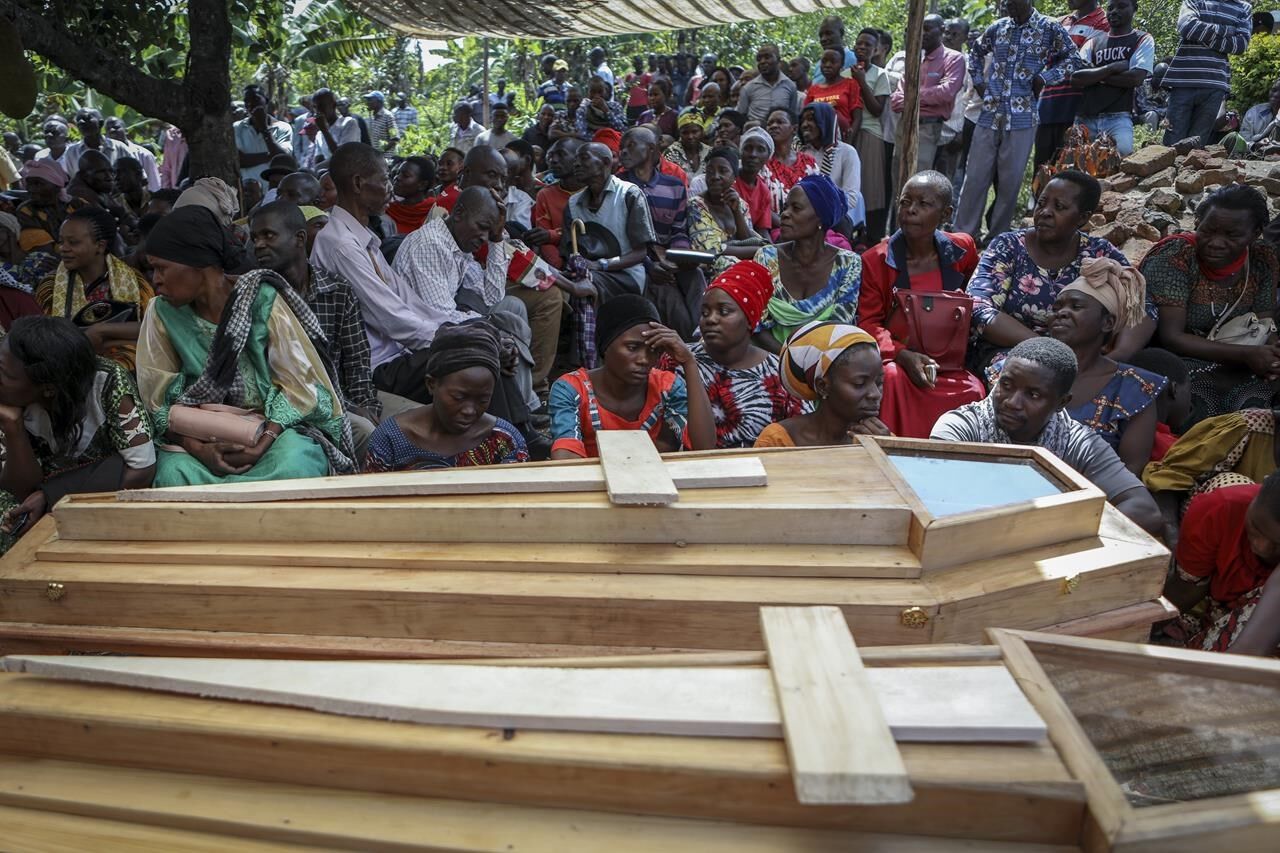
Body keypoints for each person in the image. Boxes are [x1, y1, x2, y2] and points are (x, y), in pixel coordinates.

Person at [138, 205, 355, 486]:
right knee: (173, 475)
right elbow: (156, 399)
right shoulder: (161, 312)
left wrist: (263, 443)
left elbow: (300, 385)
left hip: (270, 428)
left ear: (197, 262)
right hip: (197, 434)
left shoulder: (261, 300)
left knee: (295, 466)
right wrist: (198, 449)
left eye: (161, 268)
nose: (155, 280)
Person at [931, 336, 1164, 534]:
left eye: (1033, 395)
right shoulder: (960, 427)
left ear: (1061, 403)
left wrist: (1050, 534)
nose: (1012, 402)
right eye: (1007, 385)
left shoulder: (1077, 442)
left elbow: (1145, 511)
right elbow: (935, 496)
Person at [967, 171, 1151, 376]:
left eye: (1059, 207)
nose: (1045, 212)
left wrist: (1118, 356)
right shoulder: (1008, 247)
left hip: (1084, 359)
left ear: (1083, 218)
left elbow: (1144, 306)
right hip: (1010, 353)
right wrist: (1052, 352)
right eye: (1041, 203)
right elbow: (978, 308)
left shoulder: (1098, 253)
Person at [0, 316, 155, 554]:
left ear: (48, 388)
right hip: (56, 496)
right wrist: (14, 429)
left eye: (6, 376)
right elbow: (21, 492)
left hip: (102, 498)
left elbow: (141, 471)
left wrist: (52, 496)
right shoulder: (9, 403)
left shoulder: (107, 382)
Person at [250, 201, 382, 459]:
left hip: (339, 396)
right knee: (366, 432)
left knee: (406, 424)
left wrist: (366, 404)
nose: (258, 245)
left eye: (268, 235)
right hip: (284, 408)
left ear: (299, 238)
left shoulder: (336, 291)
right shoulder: (253, 295)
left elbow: (357, 361)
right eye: (254, 238)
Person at [859, 171, 985, 438]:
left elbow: (975, 299)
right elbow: (868, 323)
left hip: (949, 363)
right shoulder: (876, 260)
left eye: (923, 204)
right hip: (902, 361)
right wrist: (903, 354)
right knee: (891, 378)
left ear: (946, 214)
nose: (910, 210)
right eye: (905, 202)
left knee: (974, 389)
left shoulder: (962, 250)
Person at [1142, 184, 1279, 427]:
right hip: (1181, 359)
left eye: (1232, 235)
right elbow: (1172, 337)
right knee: (1202, 404)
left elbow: (1263, 324)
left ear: (1256, 233)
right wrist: (1248, 356)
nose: (1215, 242)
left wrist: (1270, 356)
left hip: (1241, 355)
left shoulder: (1262, 258)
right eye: (1208, 231)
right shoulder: (1176, 256)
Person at [954, 0, 1076, 243]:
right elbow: (975, 52)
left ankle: (996, 239)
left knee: (1010, 183)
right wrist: (978, 81)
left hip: (1023, 117)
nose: (1009, 4)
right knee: (975, 178)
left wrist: (1045, 77)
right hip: (989, 113)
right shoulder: (998, 27)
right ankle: (962, 237)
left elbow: (1073, 57)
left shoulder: (1048, 27)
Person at [656, 261, 807, 448]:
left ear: (750, 320)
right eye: (705, 312)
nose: (711, 319)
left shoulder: (779, 374)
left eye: (724, 311)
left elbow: (803, 437)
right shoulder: (676, 360)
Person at [549, 293, 714, 459]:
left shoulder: (667, 388)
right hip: (591, 483)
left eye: (653, 350)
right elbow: (566, 459)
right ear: (605, 345)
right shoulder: (572, 389)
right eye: (632, 347)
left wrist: (689, 363)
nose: (644, 360)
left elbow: (705, 448)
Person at [1048, 256, 1166, 473]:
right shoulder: (1024, 369)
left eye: (1076, 306)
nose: (1061, 313)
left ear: (1107, 323)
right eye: (1057, 307)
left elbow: (1131, 469)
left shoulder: (1134, 388)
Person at [364, 322, 528, 471]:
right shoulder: (391, 439)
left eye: (483, 400)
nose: (470, 410)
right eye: (458, 397)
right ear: (431, 384)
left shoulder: (504, 440)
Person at [1162, 471, 1280, 653]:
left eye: (1278, 545)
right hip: (1213, 616)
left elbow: (1251, 650)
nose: (1261, 546)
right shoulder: (1221, 508)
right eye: (1256, 527)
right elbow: (1187, 587)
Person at [37, 206, 153, 372]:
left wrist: (100, 332)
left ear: (100, 245)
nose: (63, 248)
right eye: (61, 241)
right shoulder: (50, 287)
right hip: (65, 366)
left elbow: (151, 329)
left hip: (127, 368)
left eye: (73, 242)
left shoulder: (134, 282)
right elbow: (44, 339)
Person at [754, 175, 860, 353]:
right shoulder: (767, 257)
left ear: (820, 218)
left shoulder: (848, 264)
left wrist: (808, 367)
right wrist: (790, 363)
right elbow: (757, 326)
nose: (785, 214)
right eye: (785, 207)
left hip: (822, 361)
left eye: (796, 208)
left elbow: (840, 327)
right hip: (768, 357)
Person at [617, 127, 703, 339]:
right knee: (669, 297)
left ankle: (703, 330)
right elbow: (620, 237)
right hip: (640, 262)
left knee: (695, 275)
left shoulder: (673, 186)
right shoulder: (618, 187)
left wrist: (681, 257)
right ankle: (690, 343)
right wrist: (650, 264)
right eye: (621, 148)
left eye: (630, 146)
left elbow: (679, 230)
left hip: (668, 258)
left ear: (651, 149)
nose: (623, 153)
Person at [754, 320, 887, 447]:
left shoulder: (881, 440)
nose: (875, 394)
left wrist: (888, 451)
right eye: (859, 383)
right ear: (823, 387)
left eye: (879, 382)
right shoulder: (778, 440)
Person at [566, 142, 657, 302]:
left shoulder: (629, 194)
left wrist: (601, 265)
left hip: (627, 275)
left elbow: (640, 252)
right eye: (575, 160)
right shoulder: (573, 204)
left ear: (606, 162)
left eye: (584, 158)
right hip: (590, 272)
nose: (577, 164)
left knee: (585, 284)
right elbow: (568, 251)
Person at [1162, 0, 1252, 147]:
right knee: (1172, 141)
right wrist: (1225, 30)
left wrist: (1202, 34)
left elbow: (1240, 45)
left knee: (1197, 142)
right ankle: (1168, 170)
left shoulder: (1244, 7)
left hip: (1215, 84)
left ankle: (1188, 171)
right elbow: (1187, 28)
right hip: (1183, 81)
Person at [1070, 0, 1153, 158]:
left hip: (1118, 118)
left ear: (1134, 9)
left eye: (1121, 6)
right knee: (1079, 167)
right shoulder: (1093, 41)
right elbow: (1076, 78)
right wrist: (1112, 68)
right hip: (1085, 117)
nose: (1114, 11)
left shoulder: (1142, 39)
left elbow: (1135, 78)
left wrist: (1095, 74)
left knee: (1122, 159)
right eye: (1110, 8)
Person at [1034, 0, 1111, 171]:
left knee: (1069, 171)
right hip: (1047, 106)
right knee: (1041, 170)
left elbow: (1085, 65)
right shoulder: (1060, 22)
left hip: (1077, 109)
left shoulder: (1104, 23)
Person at [888, 14, 966, 175]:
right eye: (920, 29)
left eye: (928, 29)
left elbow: (946, 93)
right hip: (904, 125)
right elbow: (895, 101)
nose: (922, 33)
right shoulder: (914, 58)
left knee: (917, 178)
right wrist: (927, 99)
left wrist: (911, 97)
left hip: (928, 129)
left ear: (942, 30)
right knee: (897, 177)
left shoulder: (954, 59)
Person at [688, 147, 762, 278]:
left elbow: (747, 240)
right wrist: (760, 251)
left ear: (734, 176)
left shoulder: (741, 204)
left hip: (742, 266)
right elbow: (709, 250)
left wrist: (736, 211)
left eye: (723, 171)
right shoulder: (696, 205)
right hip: (713, 271)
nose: (715, 177)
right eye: (710, 172)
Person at [852, 29, 893, 243]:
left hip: (870, 133)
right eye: (859, 43)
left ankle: (868, 238)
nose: (862, 48)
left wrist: (861, 81)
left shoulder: (879, 74)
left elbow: (877, 109)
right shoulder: (844, 72)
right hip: (848, 133)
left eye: (868, 45)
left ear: (875, 49)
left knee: (869, 188)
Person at [798, 102, 864, 230]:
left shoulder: (847, 152)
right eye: (803, 121)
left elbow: (851, 197)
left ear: (825, 121)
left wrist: (822, 207)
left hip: (837, 216)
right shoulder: (800, 153)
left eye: (811, 119)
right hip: (804, 214)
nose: (805, 124)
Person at [1127, 346, 1193, 461]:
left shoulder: (1120, 428)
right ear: (1174, 389)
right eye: (1189, 391)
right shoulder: (1173, 450)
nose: (1190, 404)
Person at [16, 159, 87, 249]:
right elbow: (45, 249)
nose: (31, 189)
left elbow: (100, 230)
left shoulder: (78, 204)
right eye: (28, 184)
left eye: (38, 184)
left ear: (57, 186)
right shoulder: (27, 211)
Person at [234, 84, 294, 188]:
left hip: (273, 190)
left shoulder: (283, 128)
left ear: (266, 100)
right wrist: (271, 155)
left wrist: (264, 129)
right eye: (246, 101)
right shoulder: (237, 127)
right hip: (246, 190)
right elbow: (239, 160)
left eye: (255, 99)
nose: (250, 104)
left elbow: (282, 160)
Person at [805, 49, 864, 138]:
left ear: (841, 64)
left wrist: (850, 139)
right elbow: (805, 115)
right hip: (817, 138)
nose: (828, 65)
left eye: (833, 62)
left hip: (841, 137)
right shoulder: (813, 89)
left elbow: (857, 117)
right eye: (824, 61)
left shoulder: (850, 84)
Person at [763, 108, 816, 205]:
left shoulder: (808, 162)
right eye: (769, 123)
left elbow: (817, 197)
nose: (773, 126)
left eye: (780, 122)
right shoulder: (762, 164)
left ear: (794, 129)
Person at [737, 44, 798, 124]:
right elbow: (741, 117)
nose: (762, 61)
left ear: (778, 60)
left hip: (781, 133)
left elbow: (792, 116)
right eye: (759, 59)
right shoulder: (748, 88)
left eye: (767, 57)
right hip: (755, 133)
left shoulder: (790, 86)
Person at [63, 109, 126, 182]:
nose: (81, 122)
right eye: (78, 120)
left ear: (101, 123)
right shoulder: (71, 152)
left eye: (86, 118)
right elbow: (73, 180)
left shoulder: (119, 147)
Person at [305, 89, 361, 168]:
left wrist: (325, 131)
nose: (318, 111)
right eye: (315, 107)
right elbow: (319, 160)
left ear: (333, 105)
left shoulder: (349, 123)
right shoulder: (320, 134)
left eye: (322, 106)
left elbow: (341, 158)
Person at [736, 128, 777, 235]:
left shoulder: (763, 191)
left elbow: (762, 229)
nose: (753, 154)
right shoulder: (729, 181)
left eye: (760, 149)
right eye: (748, 148)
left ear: (768, 157)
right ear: (741, 152)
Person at [104, 117, 161, 192]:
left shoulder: (144, 155)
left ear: (126, 131)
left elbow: (154, 186)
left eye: (116, 127)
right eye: (108, 129)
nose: (112, 130)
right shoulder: (105, 156)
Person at [387, 156, 437, 235]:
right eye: (397, 173)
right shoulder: (388, 209)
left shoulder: (435, 213)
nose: (397, 178)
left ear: (422, 185)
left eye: (406, 176)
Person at [664, 112, 711, 178]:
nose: (690, 136)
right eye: (685, 133)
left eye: (694, 132)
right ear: (679, 133)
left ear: (702, 132)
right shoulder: (671, 153)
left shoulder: (710, 152)